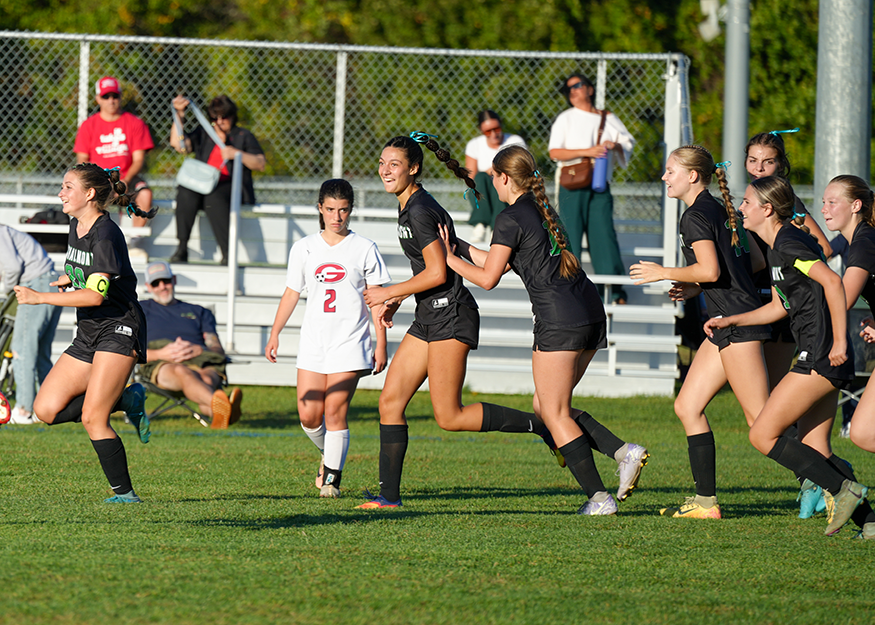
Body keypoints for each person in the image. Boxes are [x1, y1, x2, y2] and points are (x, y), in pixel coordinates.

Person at [356, 134, 613, 513]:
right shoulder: (409, 206)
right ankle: (388, 498)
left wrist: (388, 292)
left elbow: (437, 270)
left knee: (449, 416)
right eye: (381, 163)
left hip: (450, 315)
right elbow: (438, 267)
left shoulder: (420, 210)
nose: (385, 170)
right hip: (428, 316)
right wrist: (398, 298)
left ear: (413, 168)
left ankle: (543, 426)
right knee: (389, 402)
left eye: (394, 164)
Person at [440, 145, 649, 514]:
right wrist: (457, 247)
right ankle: (622, 451)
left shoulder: (509, 217)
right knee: (547, 406)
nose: (491, 181)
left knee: (553, 414)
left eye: (493, 175)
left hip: (559, 319)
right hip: (588, 311)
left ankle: (600, 499)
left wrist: (446, 259)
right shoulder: (541, 209)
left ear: (505, 177)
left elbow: (488, 278)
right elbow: (500, 264)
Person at [705, 175, 872, 538]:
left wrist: (839, 343)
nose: (740, 208)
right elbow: (781, 305)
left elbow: (831, 282)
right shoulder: (776, 247)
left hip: (821, 352)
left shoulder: (790, 243)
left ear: (767, 209)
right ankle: (870, 523)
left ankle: (846, 490)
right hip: (819, 350)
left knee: (762, 434)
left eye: (747, 202)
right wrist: (733, 319)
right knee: (813, 444)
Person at [630, 145, 770, 520]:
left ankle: (837, 483)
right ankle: (706, 503)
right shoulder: (719, 208)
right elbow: (752, 262)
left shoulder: (694, 216)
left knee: (761, 424)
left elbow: (709, 270)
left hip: (736, 323)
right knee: (687, 406)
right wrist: (696, 289)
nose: (664, 177)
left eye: (670, 170)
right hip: (724, 320)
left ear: (693, 175)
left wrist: (666, 272)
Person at [13, 163, 155, 503]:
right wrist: (69, 278)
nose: (60, 193)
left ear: (89, 194)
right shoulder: (76, 223)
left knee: (94, 416)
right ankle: (126, 399)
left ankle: (125, 496)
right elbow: (86, 273)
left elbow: (95, 295)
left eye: (67, 187)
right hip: (89, 331)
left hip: (119, 328)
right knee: (45, 410)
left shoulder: (106, 234)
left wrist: (39, 297)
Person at [265, 180, 390, 498]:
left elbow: (378, 299)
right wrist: (275, 332)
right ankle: (331, 453)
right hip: (314, 342)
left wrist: (381, 343)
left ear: (351, 209)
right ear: (320, 208)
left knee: (335, 411)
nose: (337, 216)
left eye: (344, 209)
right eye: (331, 209)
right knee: (308, 414)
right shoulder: (304, 247)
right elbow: (292, 291)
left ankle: (332, 479)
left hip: (351, 342)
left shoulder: (364, 248)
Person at [549, 73, 635, 304]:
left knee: (603, 236)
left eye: (577, 86)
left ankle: (614, 290)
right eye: (568, 89)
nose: (573, 91)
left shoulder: (608, 118)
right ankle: (570, 288)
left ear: (589, 89)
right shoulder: (565, 118)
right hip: (572, 185)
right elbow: (555, 152)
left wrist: (613, 145)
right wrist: (588, 151)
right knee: (570, 235)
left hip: (599, 184)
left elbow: (627, 143)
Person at [141, 261, 242, 429]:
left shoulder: (199, 312)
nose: (162, 286)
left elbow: (216, 349)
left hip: (201, 360)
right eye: (155, 283)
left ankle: (220, 413)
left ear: (174, 280)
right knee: (183, 372)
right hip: (162, 363)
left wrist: (199, 349)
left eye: (166, 281)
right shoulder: (139, 310)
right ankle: (224, 408)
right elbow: (128, 350)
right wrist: (161, 353)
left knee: (207, 378)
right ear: (148, 287)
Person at [169, 94, 266, 265]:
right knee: (185, 192)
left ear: (232, 116)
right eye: (215, 118)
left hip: (229, 186)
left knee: (213, 198)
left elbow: (260, 163)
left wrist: (236, 154)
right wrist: (179, 115)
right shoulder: (204, 133)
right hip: (203, 183)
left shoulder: (242, 135)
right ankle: (182, 246)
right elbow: (178, 145)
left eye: (224, 117)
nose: (220, 122)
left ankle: (227, 253)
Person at [821, 176, 875, 457]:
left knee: (864, 431)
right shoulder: (862, 239)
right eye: (823, 202)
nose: (824, 209)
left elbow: (843, 298)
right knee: (864, 432)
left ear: (855, 205)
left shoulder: (864, 242)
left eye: (832, 202)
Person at [73, 76, 154, 261]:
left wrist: (124, 181)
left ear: (120, 97)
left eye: (115, 96)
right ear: (98, 99)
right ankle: (92, 243)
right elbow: (82, 161)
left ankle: (134, 243)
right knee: (86, 196)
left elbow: (138, 159)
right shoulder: (89, 125)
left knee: (145, 194)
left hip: (128, 177)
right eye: (106, 96)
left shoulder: (134, 123)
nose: (111, 100)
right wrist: (103, 183)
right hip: (98, 179)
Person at [0, 225, 63, 424]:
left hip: (35, 285)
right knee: (40, 354)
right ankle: (51, 409)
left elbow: (12, 267)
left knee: (22, 350)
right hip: (50, 283)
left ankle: (24, 409)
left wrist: (5, 292)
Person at [464, 110, 526, 242]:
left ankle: (496, 227)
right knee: (480, 177)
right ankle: (480, 224)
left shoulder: (515, 141)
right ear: (481, 131)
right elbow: (469, 178)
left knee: (501, 181)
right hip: (484, 189)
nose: (493, 134)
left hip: (508, 185)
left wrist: (495, 171)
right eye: (488, 131)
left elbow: (519, 170)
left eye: (496, 129)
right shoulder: (474, 145)